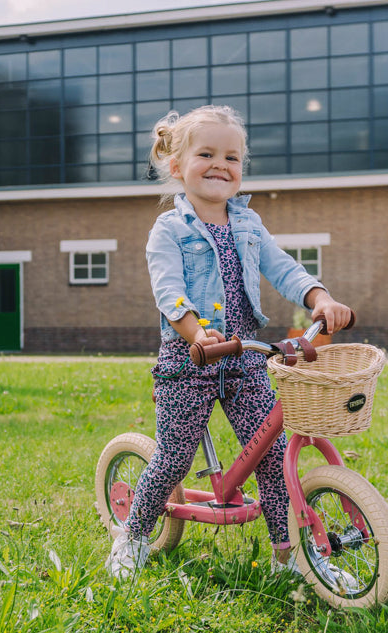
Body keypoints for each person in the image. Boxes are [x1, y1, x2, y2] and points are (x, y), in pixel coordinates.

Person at [106, 105, 352, 579]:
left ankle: (290, 556)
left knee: (275, 457)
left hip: (246, 360)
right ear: (177, 167)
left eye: (232, 157)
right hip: (189, 360)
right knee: (174, 456)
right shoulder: (169, 230)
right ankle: (133, 535)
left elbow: (283, 267)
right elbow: (168, 289)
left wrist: (319, 297)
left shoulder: (248, 224)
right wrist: (196, 331)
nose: (221, 165)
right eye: (207, 154)